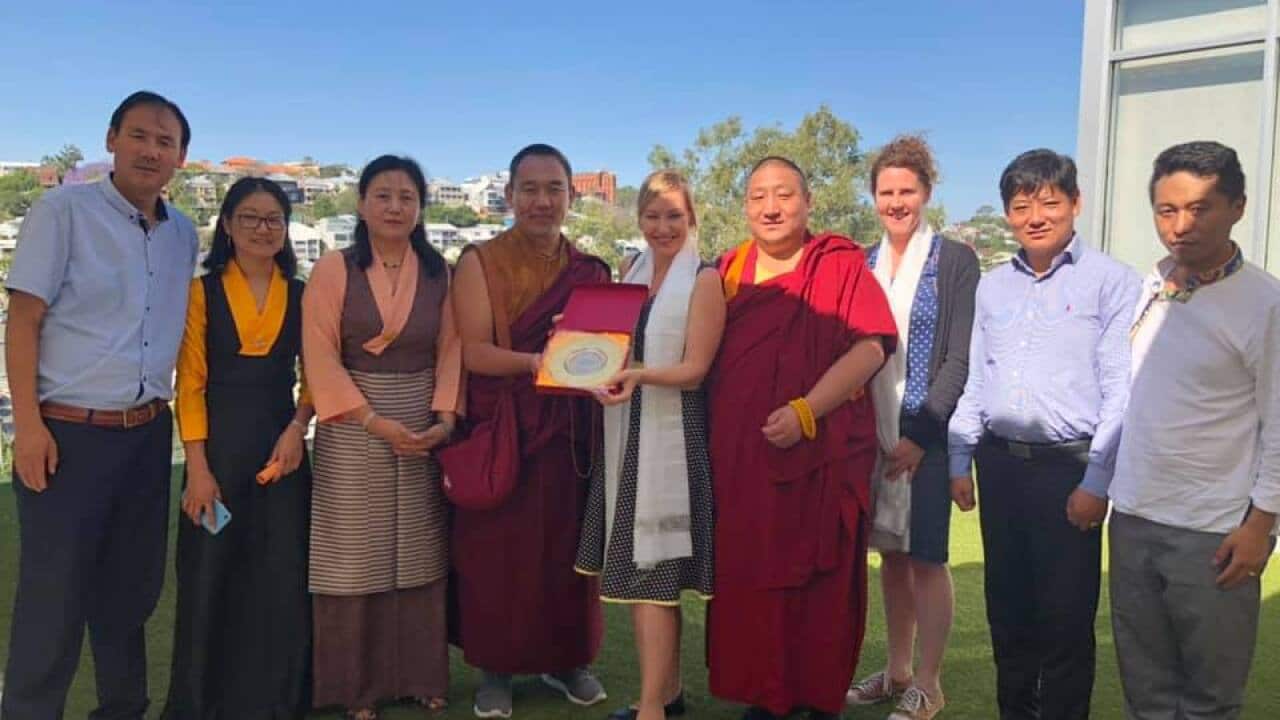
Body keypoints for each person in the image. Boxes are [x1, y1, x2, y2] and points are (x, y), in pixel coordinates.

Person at [2, 90, 198, 720]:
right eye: (140, 135)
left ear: (181, 158)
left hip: (145, 435)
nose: (152, 150)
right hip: (66, 433)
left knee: (131, 593)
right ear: (111, 139)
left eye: (166, 141)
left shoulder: (183, 234)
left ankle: (123, 710)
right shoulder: (63, 212)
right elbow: (23, 321)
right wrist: (27, 428)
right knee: (52, 598)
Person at [947, 149, 1141, 720]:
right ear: (1008, 213)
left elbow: (1120, 390)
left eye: (1049, 202)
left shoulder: (1112, 282)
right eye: (1021, 205)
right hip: (1000, 466)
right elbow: (978, 379)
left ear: (1075, 204)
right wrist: (961, 457)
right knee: (1006, 614)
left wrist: (1097, 479)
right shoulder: (992, 287)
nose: (1035, 215)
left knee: (1064, 622)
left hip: (1069, 471)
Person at [705, 156, 897, 720]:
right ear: (744, 207)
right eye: (759, 195)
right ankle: (765, 696)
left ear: (808, 203)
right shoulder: (727, 270)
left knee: (820, 577)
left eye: (784, 194)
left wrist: (808, 411)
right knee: (751, 575)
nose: (771, 207)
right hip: (742, 457)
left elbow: (870, 346)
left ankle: (814, 694)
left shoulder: (836, 264)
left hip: (820, 455)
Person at [1108, 141, 1278, 720]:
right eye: (1166, 210)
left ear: (1238, 206)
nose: (1181, 225)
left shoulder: (1265, 303)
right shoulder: (1151, 285)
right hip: (1132, 519)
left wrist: (1261, 525)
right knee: (1146, 691)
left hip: (1213, 532)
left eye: (1200, 208)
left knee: (1208, 699)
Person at [451, 143, 609, 719]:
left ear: (571, 195)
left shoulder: (590, 271)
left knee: (567, 551)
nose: (543, 201)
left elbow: (601, 351)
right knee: (498, 555)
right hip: (505, 427)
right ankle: (495, 669)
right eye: (530, 189)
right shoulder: (480, 261)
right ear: (510, 195)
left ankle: (568, 659)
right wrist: (537, 362)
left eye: (555, 189)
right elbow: (474, 351)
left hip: (568, 435)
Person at [301, 155, 460, 720]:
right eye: (383, 196)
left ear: (421, 207)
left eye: (407, 197)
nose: (395, 207)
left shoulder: (440, 271)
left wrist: (443, 420)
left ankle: (419, 676)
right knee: (353, 555)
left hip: (419, 417)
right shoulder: (334, 269)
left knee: (419, 549)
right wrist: (370, 420)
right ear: (361, 204)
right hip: (352, 421)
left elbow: (451, 349)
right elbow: (318, 351)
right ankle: (355, 687)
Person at [159, 177, 313, 719]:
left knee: (280, 572)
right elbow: (190, 383)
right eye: (249, 217)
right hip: (217, 453)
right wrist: (197, 469)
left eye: (273, 218)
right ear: (227, 224)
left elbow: (312, 375)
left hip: (283, 450)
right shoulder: (200, 291)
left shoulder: (301, 293)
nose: (262, 228)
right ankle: (203, 701)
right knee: (210, 572)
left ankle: (279, 700)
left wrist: (298, 427)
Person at [574, 170, 724, 720]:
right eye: (653, 215)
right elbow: (607, 350)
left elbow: (695, 370)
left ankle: (653, 712)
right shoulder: (630, 274)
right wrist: (584, 368)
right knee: (642, 579)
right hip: (625, 431)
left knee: (652, 574)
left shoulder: (704, 279)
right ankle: (666, 695)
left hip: (673, 442)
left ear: (693, 219)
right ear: (639, 219)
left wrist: (636, 375)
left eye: (675, 216)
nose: (663, 227)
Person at [847, 136, 979, 720]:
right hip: (869, 426)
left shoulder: (953, 260)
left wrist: (922, 435)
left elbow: (959, 356)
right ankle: (897, 669)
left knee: (926, 556)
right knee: (890, 558)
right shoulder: (861, 260)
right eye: (886, 192)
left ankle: (929, 681)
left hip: (923, 429)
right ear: (873, 196)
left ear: (926, 192)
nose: (896, 202)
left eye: (907, 191)